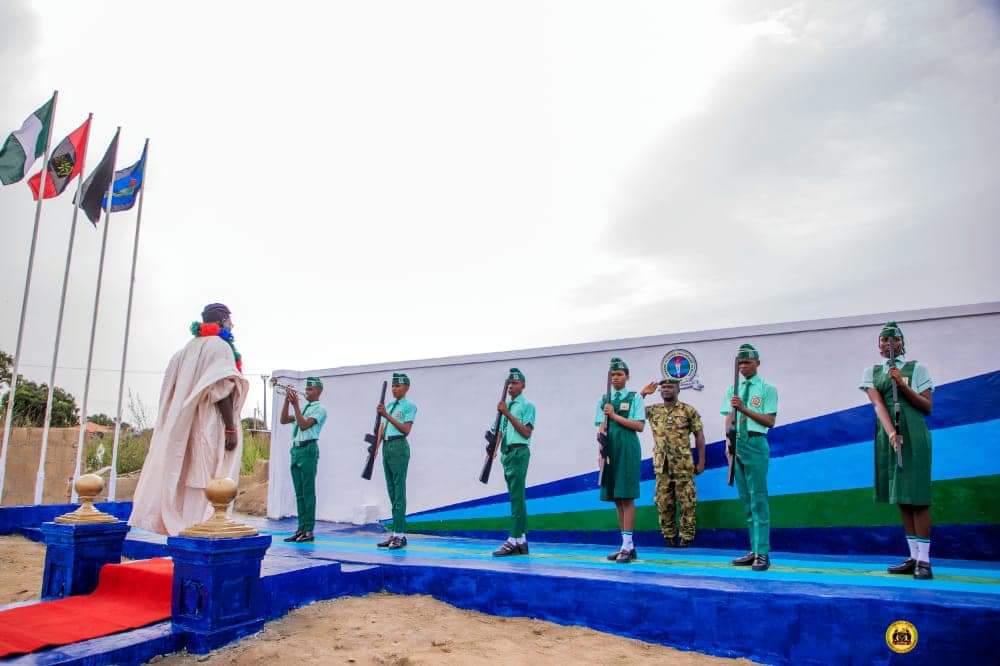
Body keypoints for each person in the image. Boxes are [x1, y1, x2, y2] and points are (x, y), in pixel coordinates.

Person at [129, 303, 249, 536]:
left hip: (189, 423)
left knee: (193, 473)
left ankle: (190, 525)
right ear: (221, 321)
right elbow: (221, 389)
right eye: (229, 320)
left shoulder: (186, 349)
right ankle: (207, 526)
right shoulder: (220, 346)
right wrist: (230, 428)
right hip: (212, 422)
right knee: (212, 475)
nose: (232, 324)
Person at [859, 321, 935, 580]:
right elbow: (878, 405)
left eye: (895, 339)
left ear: (903, 343)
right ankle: (913, 556)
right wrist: (891, 433)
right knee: (901, 495)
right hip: (889, 435)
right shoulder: (872, 372)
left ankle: (925, 561)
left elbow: (927, 406)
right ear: (878, 345)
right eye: (884, 339)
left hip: (914, 433)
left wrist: (902, 385)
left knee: (918, 496)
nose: (889, 344)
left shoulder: (917, 369)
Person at [720, 343, 778, 572]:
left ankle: (763, 552)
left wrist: (743, 409)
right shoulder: (732, 389)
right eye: (740, 363)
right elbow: (728, 417)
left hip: (755, 442)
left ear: (757, 363)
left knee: (758, 499)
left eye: (747, 362)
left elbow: (770, 421)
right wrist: (728, 443)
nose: (743, 366)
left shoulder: (767, 388)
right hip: (737, 444)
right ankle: (753, 549)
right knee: (746, 500)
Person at [640, 377, 706, 547]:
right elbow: (632, 412)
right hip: (662, 466)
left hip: (683, 465)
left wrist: (701, 462)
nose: (666, 390)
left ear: (678, 390)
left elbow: (699, 435)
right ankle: (669, 535)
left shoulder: (688, 410)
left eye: (670, 387)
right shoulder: (653, 410)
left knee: (687, 502)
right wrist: (643, 394)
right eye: (663, 387)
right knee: (663, 502)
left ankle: (686, 537)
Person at [595, 357, 645, 563]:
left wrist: (614, 416)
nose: (615, 378)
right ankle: (627, 545)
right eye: (613, 375)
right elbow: (601, 427)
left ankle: (627, 544)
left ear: (627, 376)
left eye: (619, 374)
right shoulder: (603, 399)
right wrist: (600, 452)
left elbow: (639, 426)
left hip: (627, 448)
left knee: (627, 496)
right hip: (610, 449)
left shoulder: (635, 398)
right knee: (616, 498)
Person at [492, 368, 537, 557]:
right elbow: (499, 431)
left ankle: (513, 539)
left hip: (519, 451)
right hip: (507, 453)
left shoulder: (527, 406)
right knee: (515, 497)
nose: (511, 386)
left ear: (523, 385)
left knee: (517, 497)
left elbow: (526, 432)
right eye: (509, 383)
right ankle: (521, 541)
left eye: (515, 383)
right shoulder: (505, 406)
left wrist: (507, 413)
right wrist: (493, 450)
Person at [279, 377, 327, 543]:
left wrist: (296, 405)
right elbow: (284, 420)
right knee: (299, 492)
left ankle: (309, 530)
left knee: (308, 491)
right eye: (306, 389)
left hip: (308, 449)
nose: (306, 392)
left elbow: (304, 425)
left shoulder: (320, 409)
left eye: (310, 389)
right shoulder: (304, 408)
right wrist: (287, 401)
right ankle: (300, 529)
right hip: (296, 450)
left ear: (319, 391)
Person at [376, 372, 417, 550]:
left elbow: (405, 429)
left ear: (406, 388)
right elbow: (382, 428)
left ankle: (400, 534)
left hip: (399, 446)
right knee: (391, 491)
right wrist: (375, 448)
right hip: (386, 447)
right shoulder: (389, 405)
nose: (394, 389)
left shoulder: (409, 406)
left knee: (399, 491)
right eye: (393, 386)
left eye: (398, 386)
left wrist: (386, 415)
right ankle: (394, 533)